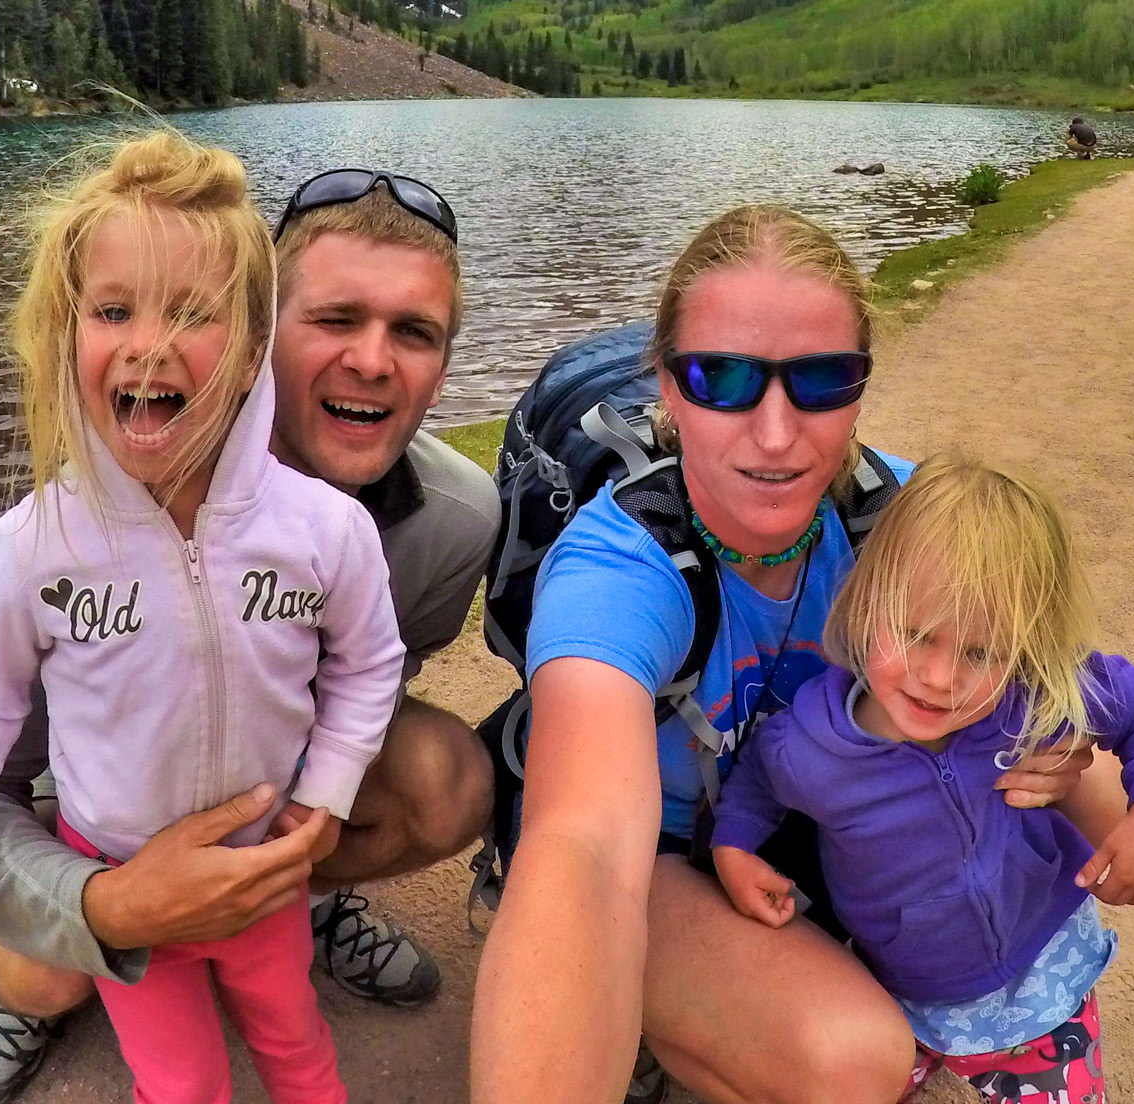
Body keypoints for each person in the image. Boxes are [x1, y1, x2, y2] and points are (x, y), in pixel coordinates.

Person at [0, 166, 500, 1104]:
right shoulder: (55, 536)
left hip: (258, 813)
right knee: (75, 985)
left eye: (412, 332)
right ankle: (45, 975)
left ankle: (303, 903)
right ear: (270, 334)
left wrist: (318, 811)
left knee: (444, 779)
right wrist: (102, 904)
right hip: (93, 831)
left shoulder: (447, 524)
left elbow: (366, 677)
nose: (373, 362)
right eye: (335, 320)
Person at [470, 205, 1098, 1104]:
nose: (774, 433)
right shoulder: (618, 569)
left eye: (822, 380)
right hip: (665, 858)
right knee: (851, 1061)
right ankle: (671, 1017)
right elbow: (587, 849)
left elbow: (1070, 726)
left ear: (860, 387)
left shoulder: (905, 521)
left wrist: (1091, 782)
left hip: (803, 831)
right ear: (669, 390)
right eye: (721, 378)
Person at [710, 455, 1134, 1104]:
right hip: (902, 993)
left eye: (980, 651)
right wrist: (733, 850)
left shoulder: (1034, 692)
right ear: (864, 605)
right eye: (915, 634)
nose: (939, 677)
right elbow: (756, 781)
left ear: (1027, 642)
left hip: (1041, 973)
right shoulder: (811, 744)